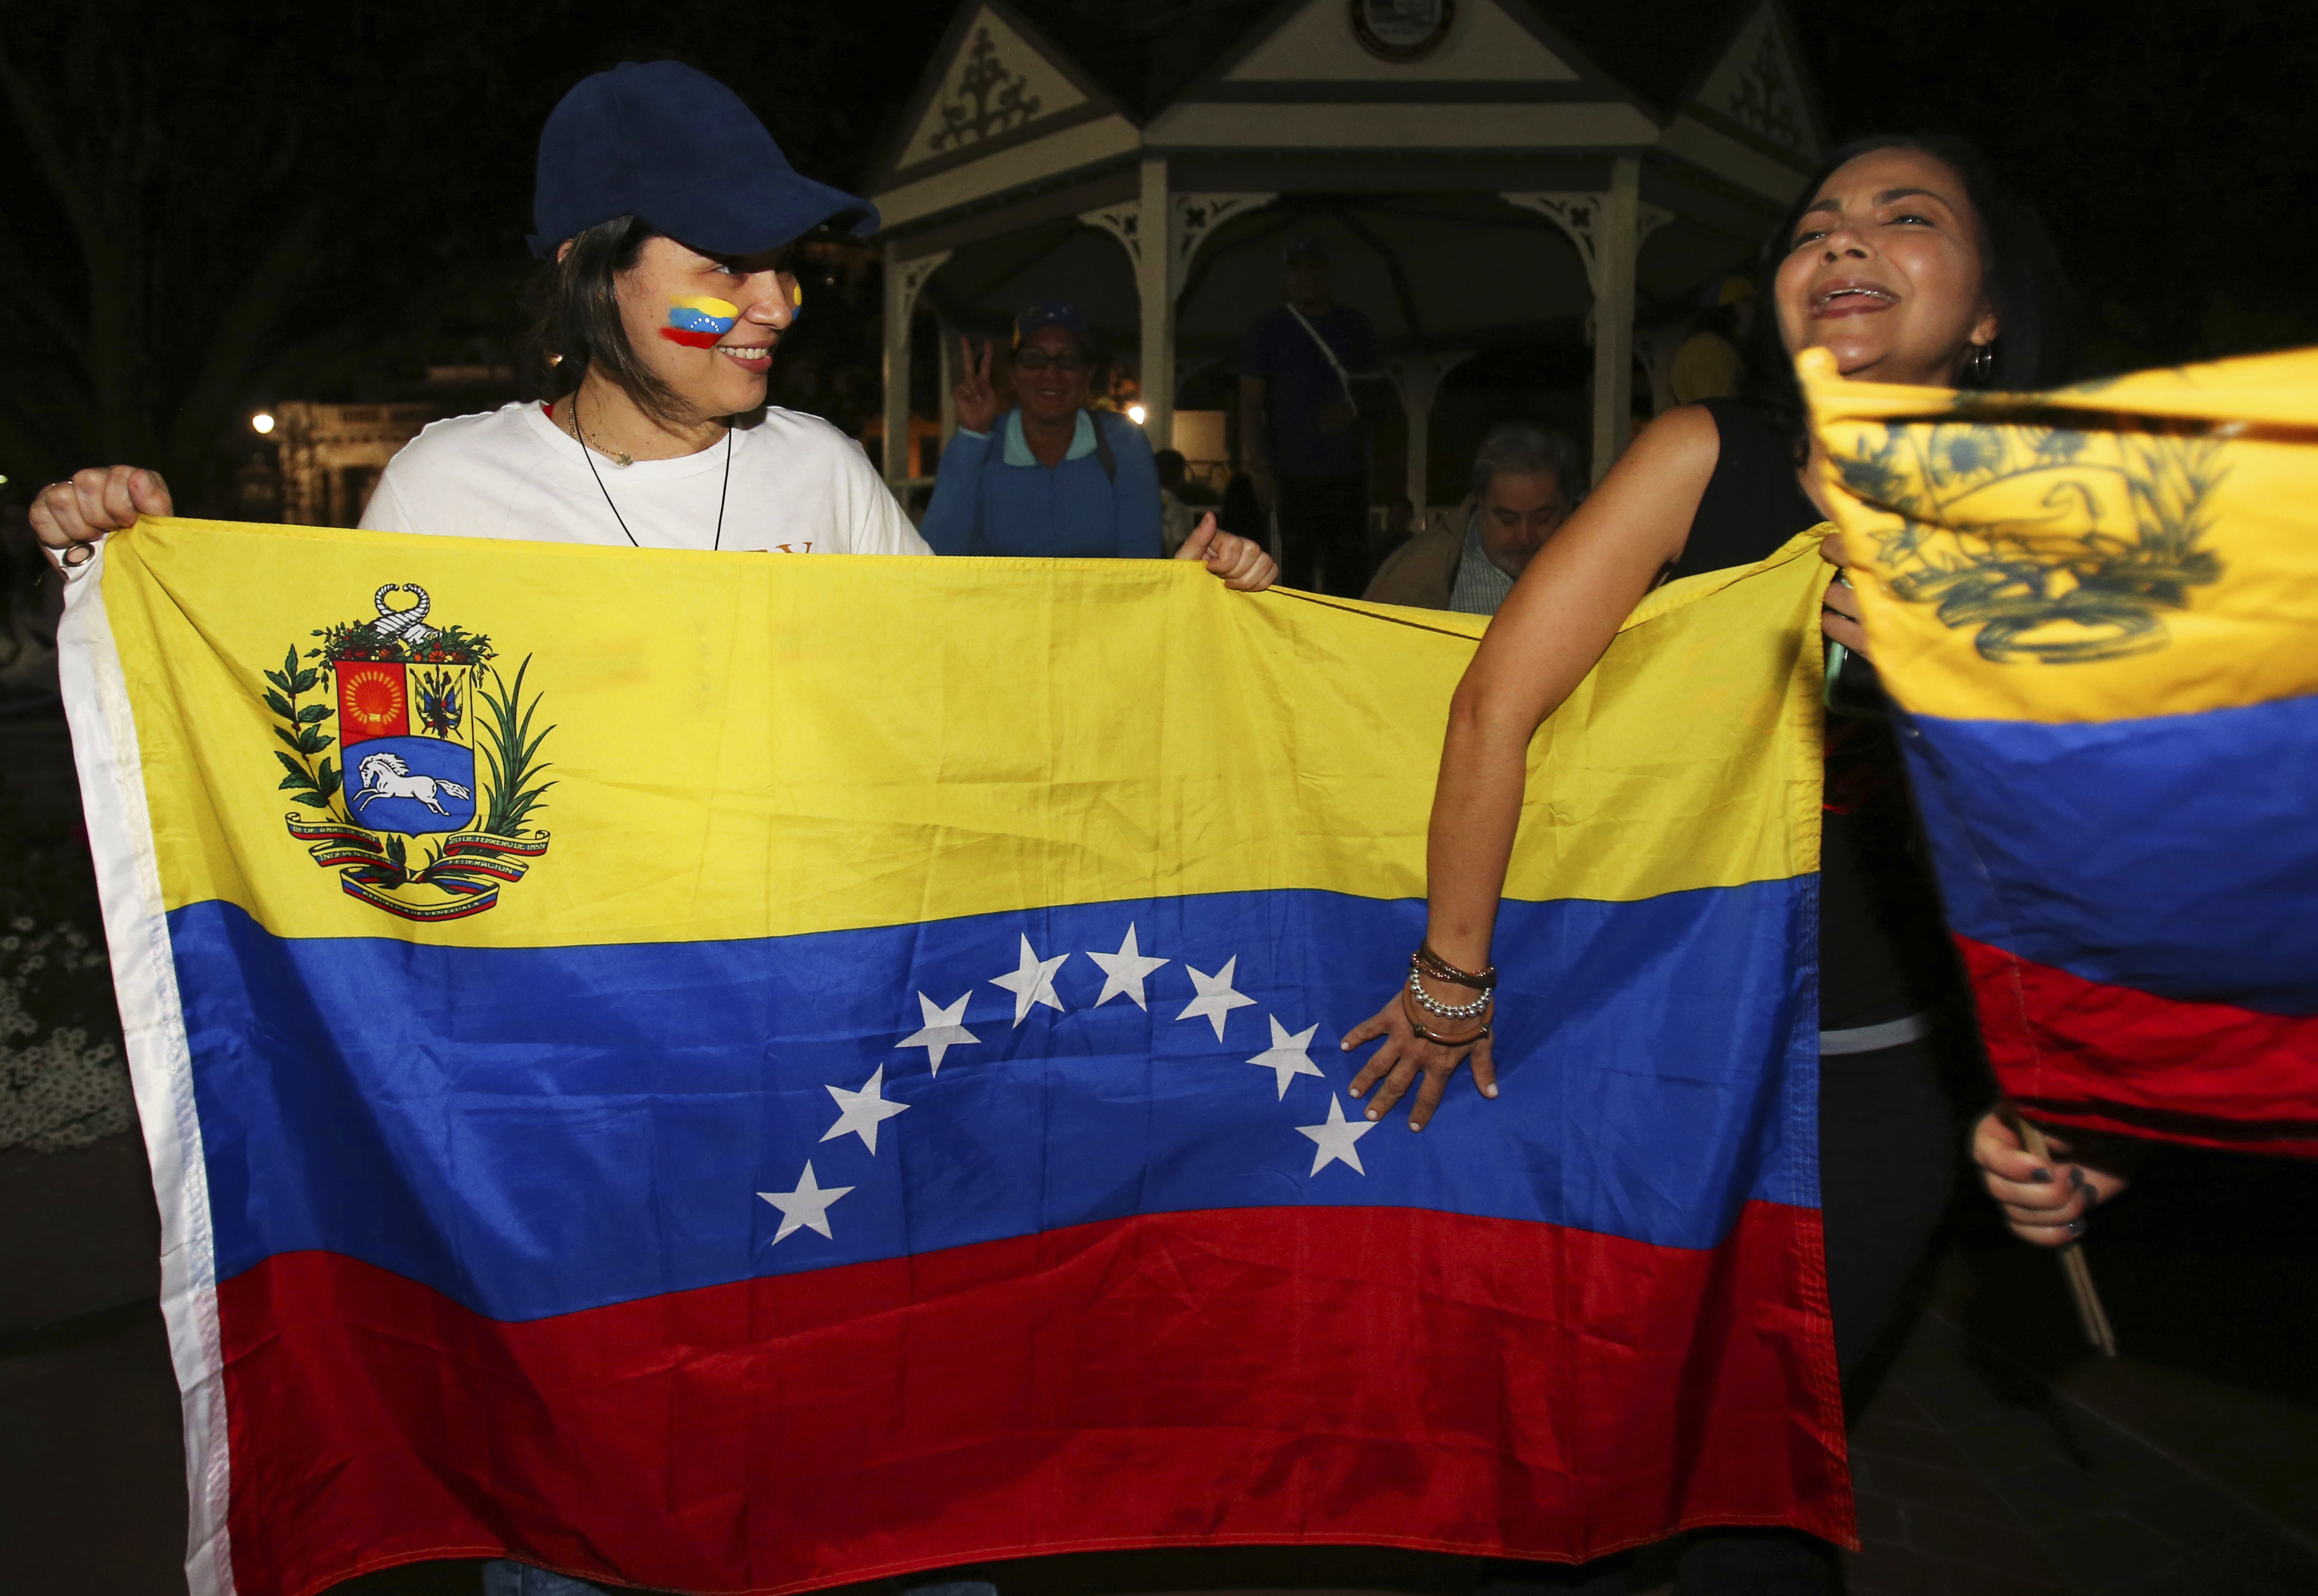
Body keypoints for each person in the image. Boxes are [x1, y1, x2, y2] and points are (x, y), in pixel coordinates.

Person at [29, 55, 1272, 1596]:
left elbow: (983, 729)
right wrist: (135, 569)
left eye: (781, 267)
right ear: (588, 274)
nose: (771, 302)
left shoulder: (820, 472)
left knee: (878, 1497)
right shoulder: (451, 488)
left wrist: (1192, 636)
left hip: (838, 1112)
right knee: (598, 1508)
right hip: (585, 1141)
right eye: (720, 267)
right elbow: (365, 792)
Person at [1337, 134, 2106, 1594]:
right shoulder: (1703, 459)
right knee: (1590, 1443)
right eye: (1814, 228)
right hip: (1663, 1043)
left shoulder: (2064, 526)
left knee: (1764, 1472)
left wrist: (2081, 1104)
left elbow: (2106, 856)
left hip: (1882, 1077)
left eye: (1905, 215)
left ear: (1990, 309)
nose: (1845, 242)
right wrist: (1451, 968)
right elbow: (1499, 699)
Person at [922, 304, 1170, 560]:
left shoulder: (1122, 440)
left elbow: (1143, 561)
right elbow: (938, 555)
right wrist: (973, 434)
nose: (1051, 372)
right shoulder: (983, 445)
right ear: (1013, 376)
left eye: (1068, 359)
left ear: (1087, 376)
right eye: (1033, 358)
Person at [1238, 235, 1383, 597]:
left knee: (1349, 574)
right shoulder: (1268, 330)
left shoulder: (1356, 326)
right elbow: (1249, 403)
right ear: (1286, 277)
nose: (1306, 277)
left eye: (1313, 268)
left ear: (1328, 273)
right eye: (1296, 269)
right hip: (1290, 476)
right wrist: (1259, 467)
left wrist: (1354, 412)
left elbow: (1378, 395)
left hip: (1346, 473)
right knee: (1291, 578)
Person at [1363, 425, 1578, 616]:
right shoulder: (1417, 574)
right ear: (1480, 504)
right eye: (1506, 520)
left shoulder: (1602, 570)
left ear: (1568, 508)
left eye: (1542, 519)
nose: (1525, 537)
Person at [1670, 276, 1757, 405]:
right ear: (1726, 310)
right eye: (1746, 301)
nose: (1753, 310)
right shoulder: (1708, 348)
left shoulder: (1714, 346)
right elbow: (1718, 411)